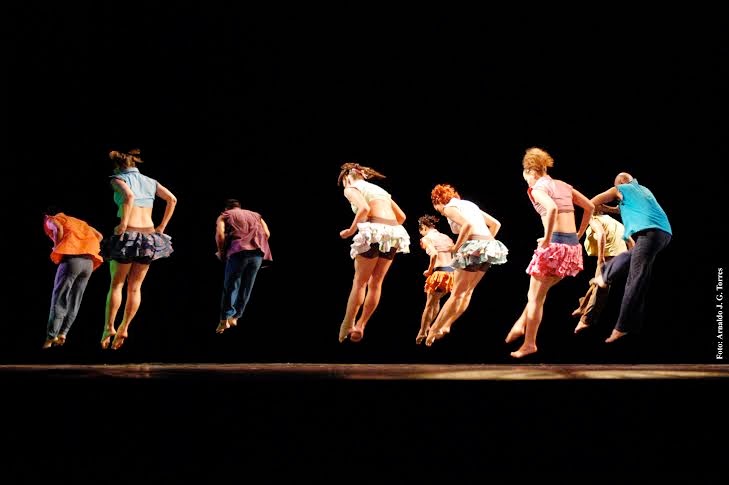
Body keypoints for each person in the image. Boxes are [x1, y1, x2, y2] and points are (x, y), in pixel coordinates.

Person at [505, 147, 594, 358]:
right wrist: (579, 233)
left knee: (535, 298)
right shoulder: (563, 185)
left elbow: (552, 209)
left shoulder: (538, 189)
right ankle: (520, 323)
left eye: (525, 175)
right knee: (539, 292)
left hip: (554, 246)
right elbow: (589, 206)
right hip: (572, 248)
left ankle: (529, 343)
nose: (525, 180)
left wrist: (546, 239)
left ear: (531, 171)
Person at [100, 149, 177, 350]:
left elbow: (129, 196)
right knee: (135, 287)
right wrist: (161, 228)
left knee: (116, 284)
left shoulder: (116, 179)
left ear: (117, 165)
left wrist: (123, 224)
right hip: (148, 236)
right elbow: (172, 199)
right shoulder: (150, 181)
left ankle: (109, 327)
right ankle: (125, 327)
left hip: (129, 234)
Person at [589, 172, 672, 343]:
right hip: (663, 234)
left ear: (620, 183)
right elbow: (623, 208)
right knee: (634, 264)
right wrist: (607, 210)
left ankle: (622, 326)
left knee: (634, 279)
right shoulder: (643, 190)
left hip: (649, 233)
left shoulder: (619, 188)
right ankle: (632, 324)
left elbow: (592, 201)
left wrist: (593, 211)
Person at [425, 184, 508, 347]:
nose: (439, 212)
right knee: (467, 291)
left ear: (438, 201)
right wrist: (484, 244)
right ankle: (447, 325)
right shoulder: (469, 204)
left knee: (456, 293)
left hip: (475, 245)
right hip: (490, 246)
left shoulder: (449, 207)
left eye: (437, 208)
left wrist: (457, 247)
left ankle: (434, 329)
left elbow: (467, 226)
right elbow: (496, 224)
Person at [337, 162, 410, 343]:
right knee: (376, 283)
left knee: (360, 282)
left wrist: (350, 230)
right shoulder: (380, 190)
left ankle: (348, 322)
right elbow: (402, 217)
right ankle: (361, 324)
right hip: (394, 233)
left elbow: (364, 209)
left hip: (375, 230)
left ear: (347, 177)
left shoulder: (351, 188)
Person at [43, 211, 104, 348]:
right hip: (88, 263)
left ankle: (50, 338)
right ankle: (63, 333)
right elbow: (99, 236)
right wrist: (87, 246)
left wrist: (57, 247)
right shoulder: (79, 222)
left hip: (72, 260)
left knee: (59, 297)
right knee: (75, 299)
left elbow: (57, 227)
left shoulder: (51, 219)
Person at [214, 199, 273, 334]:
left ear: (227, 208)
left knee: (231, 286)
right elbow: (267, 234)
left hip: (238, 253)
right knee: (247, 286)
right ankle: (235, 316)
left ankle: (224, 319)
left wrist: (222, 252)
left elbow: (219, 235)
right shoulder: (256, 215)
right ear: (240, 207)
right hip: (257, 254)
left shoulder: (225, 215)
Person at [572, 207, 633, 334]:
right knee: (599, 283)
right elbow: (630, 240)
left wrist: (600, 259)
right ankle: (582, 306)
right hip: (619, 256)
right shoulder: (615, 222)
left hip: (608, 256)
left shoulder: (594, 219)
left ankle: (585, 320)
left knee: (602, 287)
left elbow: (601, 234)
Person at [416, 214, 455, 344]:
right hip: (451, 274)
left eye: (420, 231)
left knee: (429, 305)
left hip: (439, 273)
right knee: (436, 301)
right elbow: (455, 253)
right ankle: (430, 327)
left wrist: (429, 270)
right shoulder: (446, 237)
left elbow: (433, 254)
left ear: (424, 228)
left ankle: (423, 331)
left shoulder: (427, 238)